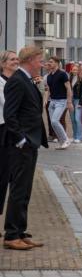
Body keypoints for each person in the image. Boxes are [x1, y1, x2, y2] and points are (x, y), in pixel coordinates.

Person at [3, 46, 48, 250]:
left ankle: (20, 231)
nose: (42, 64)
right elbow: (9, 115)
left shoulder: (26, 80)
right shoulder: (17, 82)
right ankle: (11, 235)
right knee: (18, 189)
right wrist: (21, 140)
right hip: (21, 145)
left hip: (31, 143)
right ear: (30, 60)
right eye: (40, 61)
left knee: (26, 190)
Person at [0, 51, 19, 230]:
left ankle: (13, 225)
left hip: (13, 130)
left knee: (12, 177)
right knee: (2, 176)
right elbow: (8, 104)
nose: (16, 62)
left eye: (17, 59)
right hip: (3, 129)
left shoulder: (17, 81)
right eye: (12, 59)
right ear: (4, 63)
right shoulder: (1, 82)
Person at [46, 57, 73, 150]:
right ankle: (62, 142)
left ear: (57, 63)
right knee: (53, 123)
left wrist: (69, 102)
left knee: (54, 121)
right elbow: (49, 90)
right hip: (52, 102)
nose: (49, 63)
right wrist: (46, 100)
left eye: (51, 62)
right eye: (49, 62)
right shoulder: (49, 76)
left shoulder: (62, 74)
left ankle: (65, 140)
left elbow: (68, 88)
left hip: (61, 101)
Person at [69, 65, 82, 143]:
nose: (74, 71)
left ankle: (79, 137)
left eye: (76, 70)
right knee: (72, 119)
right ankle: (75, 136)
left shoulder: (81, 80)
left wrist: (80, 103)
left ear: (78, 71)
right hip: (70, 100)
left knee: (77, 119)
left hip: (78, 100)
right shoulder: (69, 79)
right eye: (73, 70)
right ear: (71, 70)